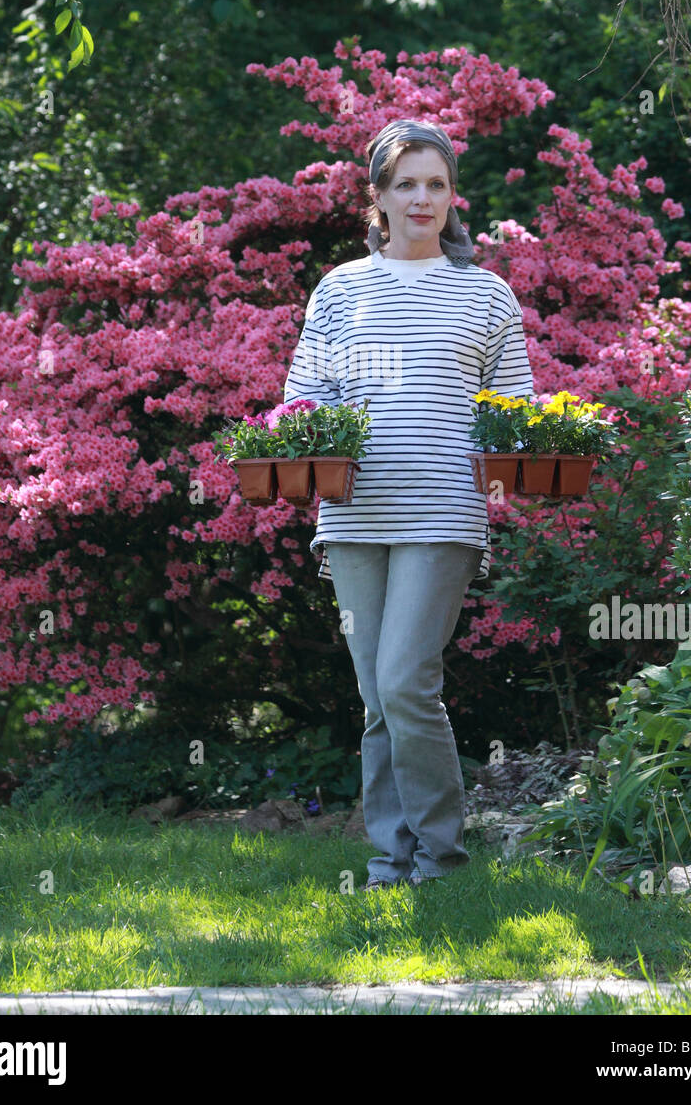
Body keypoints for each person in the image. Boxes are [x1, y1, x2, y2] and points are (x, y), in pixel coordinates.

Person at [282, 119, 534, 890]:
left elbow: (514, 407)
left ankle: (442, 856)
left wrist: (532, 450)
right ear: (379, 198)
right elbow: (303, 398)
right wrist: (307, 437)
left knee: (404, 681)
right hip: (355, 516)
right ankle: (394, 860)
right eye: (405, 184)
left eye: (435, 184)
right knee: (374, 696)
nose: (421, 198)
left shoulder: (486, 293)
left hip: (445, 512)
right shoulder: (340, 290)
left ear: (454, 197)